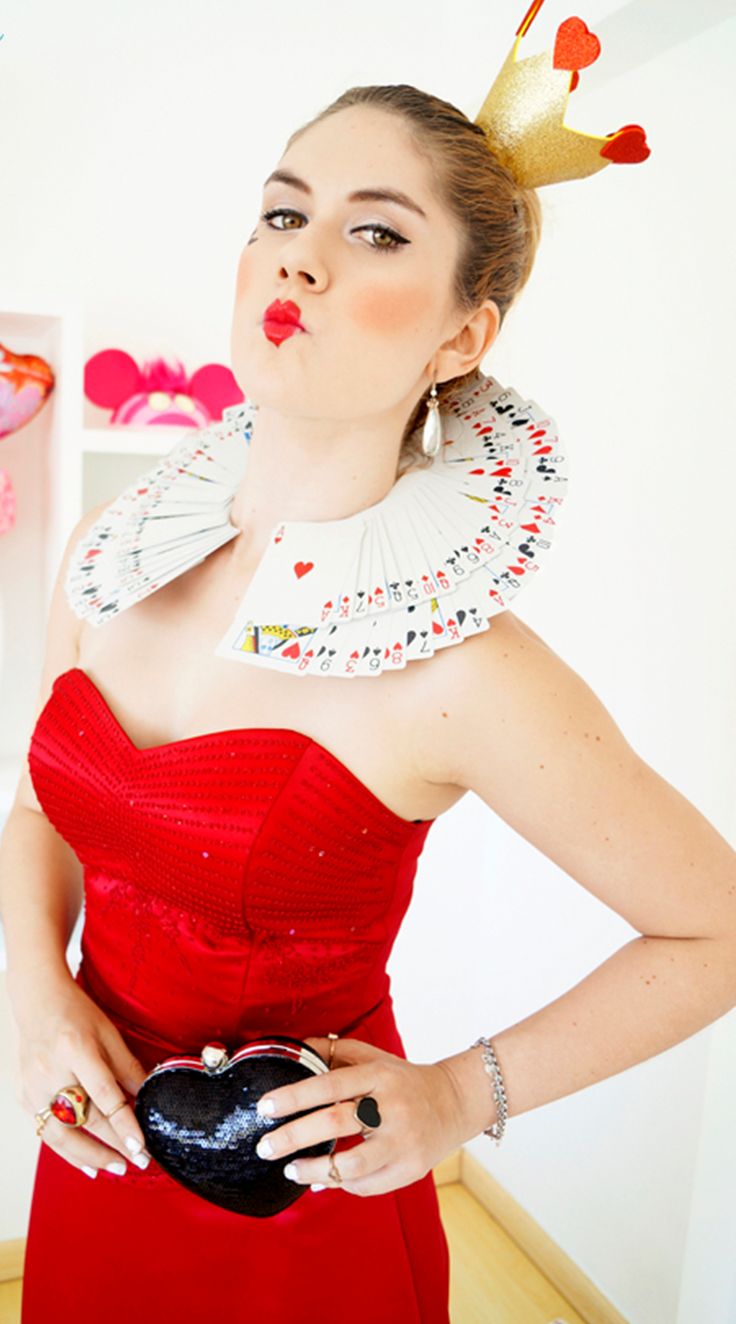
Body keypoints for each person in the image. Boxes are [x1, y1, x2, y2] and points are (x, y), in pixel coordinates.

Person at [3, 20, 735, 1324]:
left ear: (463, 338)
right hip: (96, 1164)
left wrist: (463, 1094)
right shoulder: (109, 556)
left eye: (377, 231)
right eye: (285, 210)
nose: (301, 251)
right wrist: (37, 999)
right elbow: (43, 812)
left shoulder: (463, 669)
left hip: (307, 1219)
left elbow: (714, 926)